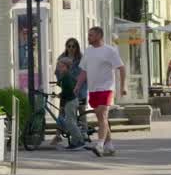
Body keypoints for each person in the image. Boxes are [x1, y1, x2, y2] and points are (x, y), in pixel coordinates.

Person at [76, 26, 126, 157]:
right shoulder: (88, 52)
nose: (88, 37)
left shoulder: (110, 51)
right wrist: (77, 87)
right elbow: (83, 71)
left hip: (107, 88)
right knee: (101, 118)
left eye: (91, 35)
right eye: (88, 34)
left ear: (99, 36)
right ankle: (109, 145)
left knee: (102, 114)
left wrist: (123, 87)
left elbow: (121, 68)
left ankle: (99, 145)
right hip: (93, 89)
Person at [54, 55, 85, 149]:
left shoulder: (67, 77)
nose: (59, 68)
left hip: (71, 101)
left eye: (61, 66)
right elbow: (68, 86)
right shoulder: (65, 76)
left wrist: (61, 94)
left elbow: (69, 90)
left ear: (66, 67)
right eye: (58, 66)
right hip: (70, 100)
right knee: (72, 121)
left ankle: (80, 140)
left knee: (70, 122)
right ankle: (74, 142)